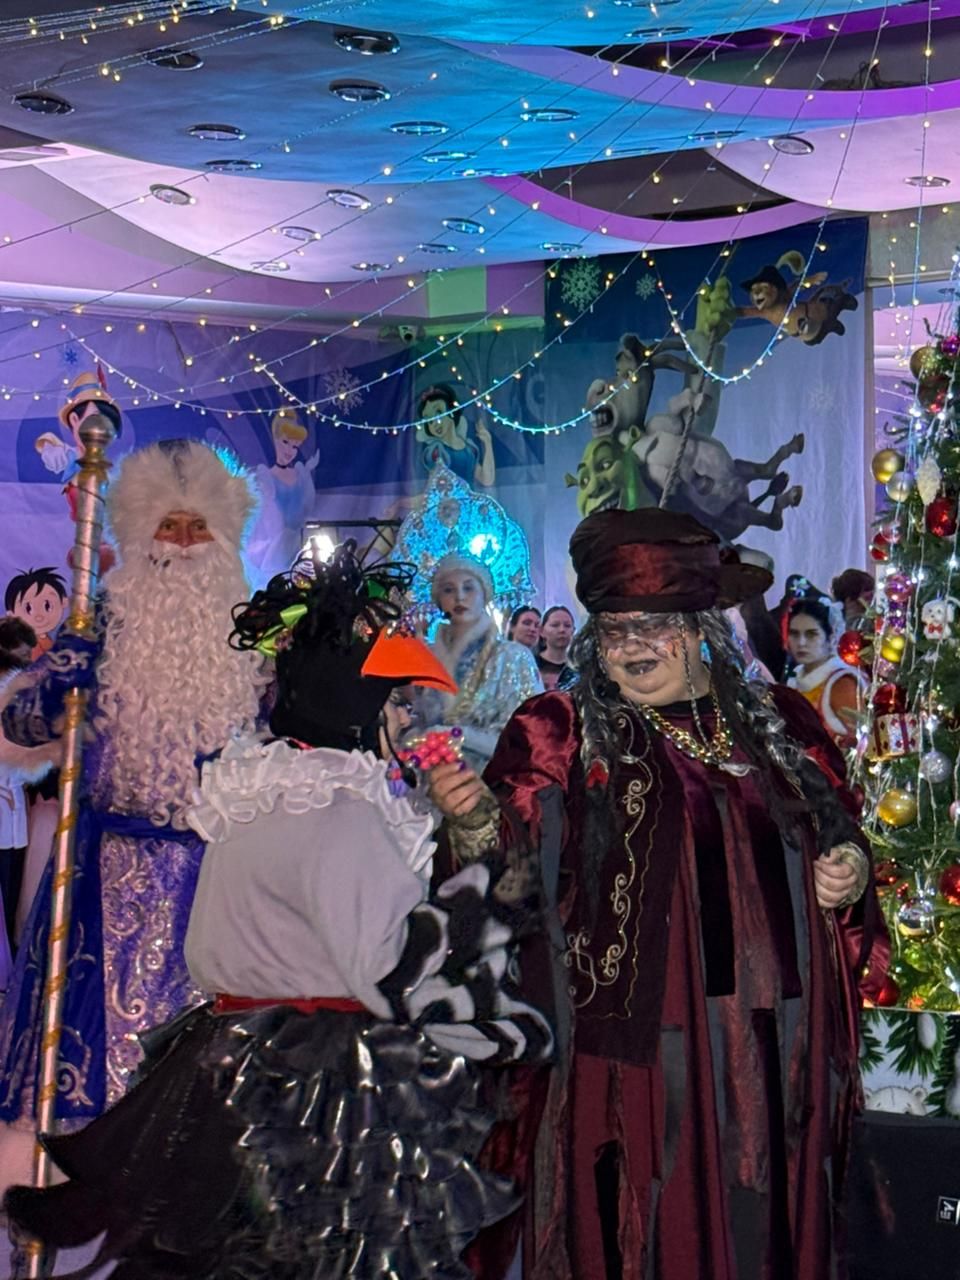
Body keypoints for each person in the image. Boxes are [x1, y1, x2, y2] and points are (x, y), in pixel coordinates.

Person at [5, 544, 552, 1278]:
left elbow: (206, 951)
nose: (406, 716)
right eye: (394, 701)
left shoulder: (252, 794)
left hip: (225, 1059)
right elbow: (389, 969)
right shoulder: (342, 809)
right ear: (356, 707)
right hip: (322, 1087)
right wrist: (496, 898)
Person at [430, 508, 888, 1280]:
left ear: (703, 628)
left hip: (780, 1038)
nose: (632, 646)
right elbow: (512, 864)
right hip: (646, 1052)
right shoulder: (560, 730)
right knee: (653, 1223)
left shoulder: (780, 721)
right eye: (614, 629)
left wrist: (847, 867)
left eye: (655, 626)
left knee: (768, 1217)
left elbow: (836, 826)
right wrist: (476, 821)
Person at [0, 439, 266, 1165]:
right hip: (101, 873)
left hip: (215, 877)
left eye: (196, 527)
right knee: (86, 1059)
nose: (180, 543)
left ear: (222, 537)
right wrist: (61, 680)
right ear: (139, 534)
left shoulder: (252, 646)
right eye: (166, 527)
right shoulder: (100, 627)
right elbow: (20, 727)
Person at [417, 552, 542, 770]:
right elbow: (419, 722)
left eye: (468, 588)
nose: (459, 597)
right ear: (439, 599)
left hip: (493, 778)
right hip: (435, 777)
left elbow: (529, 736)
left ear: (484, 594)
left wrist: (458, 735)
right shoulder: (428, 659)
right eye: (448, 590)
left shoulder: (513, 657)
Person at [785, 594, 866, 749]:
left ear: (831, 637)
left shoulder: (841, 683)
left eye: (811, 634)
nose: (801, 643)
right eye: (794, 634)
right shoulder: (796, 683)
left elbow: (864, 745)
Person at [4, 569, 67, 660]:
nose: (39, 617)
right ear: (11, 615)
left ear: (64, 602)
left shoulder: (46, 640)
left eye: (47, 606)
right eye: (28, 608)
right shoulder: (22, 644)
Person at [537, 605, 576, 691]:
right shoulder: (533, 664)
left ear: (573, 631)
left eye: (567, 626)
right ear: (541, 631)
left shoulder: (579, 666)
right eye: (555, 625)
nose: (562, 630)